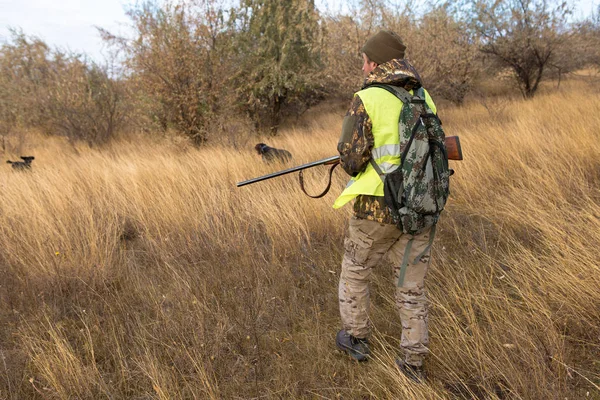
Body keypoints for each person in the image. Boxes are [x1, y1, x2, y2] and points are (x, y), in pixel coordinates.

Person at [332, 30, 439, 383]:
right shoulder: (424, 97)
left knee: (355, 270)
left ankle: (357, 340)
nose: (363, 65)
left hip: (376, 209)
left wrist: (346, 155)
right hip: (421, 207)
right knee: (411, 288)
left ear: (376, 62)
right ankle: (413, 362)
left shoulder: (367, 98)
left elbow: (351, 160)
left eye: (365, 59)